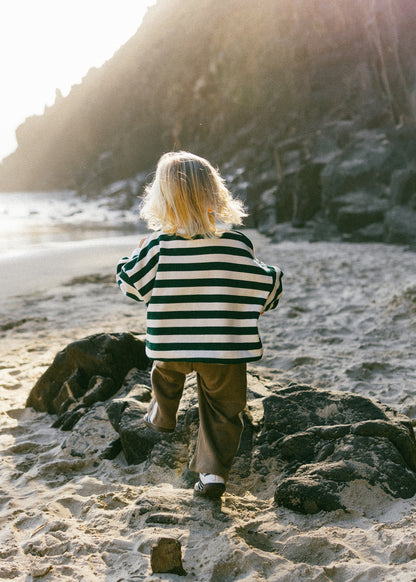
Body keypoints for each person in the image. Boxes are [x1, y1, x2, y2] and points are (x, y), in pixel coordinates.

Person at [116, 151, 283, 498]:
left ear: (161, 203)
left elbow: (131, 284)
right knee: (224, 409)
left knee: (164, 373)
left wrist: (132, 255)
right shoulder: (235, 245)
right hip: (222, 350)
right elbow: (268, 285)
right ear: (215, 197)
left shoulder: (158, 248)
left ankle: (162, 415)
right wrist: (260, 303)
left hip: (172, 347)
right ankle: (212, 476)